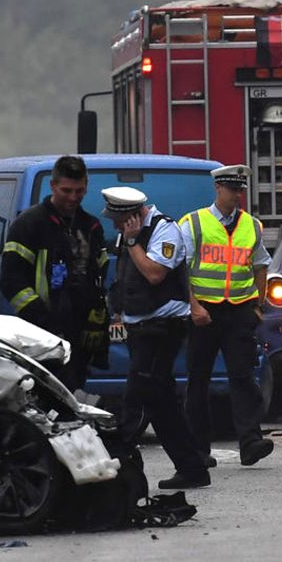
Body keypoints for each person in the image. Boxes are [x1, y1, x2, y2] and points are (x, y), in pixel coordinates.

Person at [103, 186, 209, 491]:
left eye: (117, 219)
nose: (114, 225)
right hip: (140, 327)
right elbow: (128, 276)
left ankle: (117, 462)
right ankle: (192, 467)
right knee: (163, 403)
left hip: (161, 328)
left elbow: (154, 274)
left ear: (132, 216)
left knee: (137, 397)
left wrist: (134, 240)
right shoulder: (130, 232)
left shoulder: (164, 230)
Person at [179, 165, 275, 468]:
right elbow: (180, 269)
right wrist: (193, 306)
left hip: (239, 311)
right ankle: (197, 449)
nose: (237, 195)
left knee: (243, 377)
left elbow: (261, 264)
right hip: (204, 312)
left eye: (240, 190)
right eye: (232, 189)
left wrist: (258, 305)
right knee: (198, 380)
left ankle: (250, 443)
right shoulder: (193, 223)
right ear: (218, 189)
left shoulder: (252, 226)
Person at [0, 154, 109, 391]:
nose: (73, 197)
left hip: (79, 332)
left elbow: (100, 275)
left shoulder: (91, 227)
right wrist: (43, 320)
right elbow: (11, 281)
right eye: (66, 190)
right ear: (53, 186)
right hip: (40, 332)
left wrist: (97, 317)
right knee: (42, 394)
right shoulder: (30, 224)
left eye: (79, 191)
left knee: (71, 391)